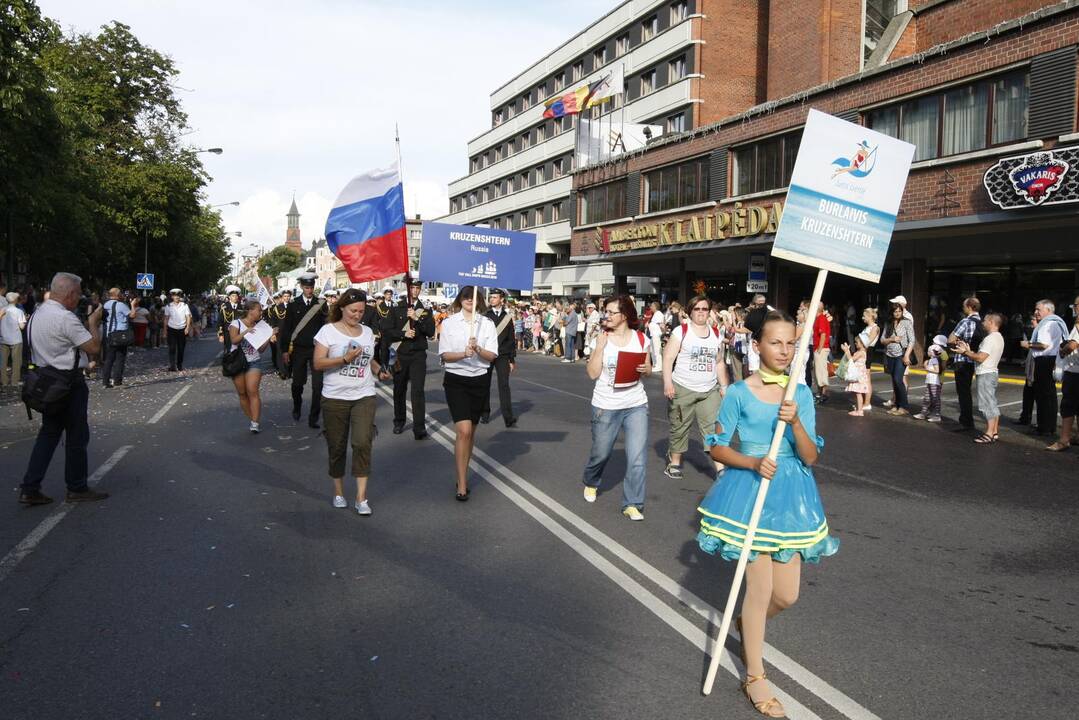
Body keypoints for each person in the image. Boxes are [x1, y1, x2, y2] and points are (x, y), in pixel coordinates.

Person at [696, 310, 838, 718]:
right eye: (775, 342)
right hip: (750, 492)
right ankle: (755, 676)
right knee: (758, 591)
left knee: (787, 595)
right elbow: (717, 448)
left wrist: (794, 423)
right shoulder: (739, 392)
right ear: (756, 346)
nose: (784, 350)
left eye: (790, 343)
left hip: (792, 497)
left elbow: (810, 456)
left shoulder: (802, 394)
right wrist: (752, 462)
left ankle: (746, 622)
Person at [18, 272, 109, 505]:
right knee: (77, 437)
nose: (80, 298)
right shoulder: (65, 318)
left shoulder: (38, 312)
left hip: (45, 381)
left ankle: (30, 487)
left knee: (48, 435)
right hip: (68, 383)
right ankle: (77, 487)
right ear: (69, 294)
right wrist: (92, 323)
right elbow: (93, 347)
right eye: (78, 294)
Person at [313, 289, 390, 515]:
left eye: (361, 311)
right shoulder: (328, 332)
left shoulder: (367, 332)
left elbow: (369, 361)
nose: (357, 315)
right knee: (337, 446)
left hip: (363, 395)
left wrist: (379, 371)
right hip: (335, 396)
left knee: (362, 443)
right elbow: (318, 363)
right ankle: (338, 492)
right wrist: (343, 359)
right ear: (342, 308)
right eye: (353, 311)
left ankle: (361, 498)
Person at [582, 295, 653, 521]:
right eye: (607, 311)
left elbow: (649, 370)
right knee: (601, 453)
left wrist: (644, 368)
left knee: (637, 458)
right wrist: (599, 348)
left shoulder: (642, 339)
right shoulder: (600, 338)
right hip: (606, 405)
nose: (607, 316)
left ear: (625, 315)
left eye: (612, 312)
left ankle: (633, 503)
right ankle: (592, 480)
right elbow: (592, 373)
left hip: (636, 404)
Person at [439, 287, 498, 501]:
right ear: (459, 300)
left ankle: (462, 472)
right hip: (456, 380)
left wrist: (478, 349)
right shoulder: (449, 323)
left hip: (480, 380)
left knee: (471, 433)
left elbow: (492, 356)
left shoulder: (487, 324)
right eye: (465, 297)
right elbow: (444, 355)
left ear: (479, 301)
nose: (468, 301)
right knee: (463, 431)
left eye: (472, 297)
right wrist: (463, 353)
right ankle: (462, 482)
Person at [662, 295, 729, 479]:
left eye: (704, 309)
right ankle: (674, 462)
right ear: (690, 311)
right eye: (697, 309)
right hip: (683, 387)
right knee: (680, 426)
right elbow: (668, 358)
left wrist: (724, 386)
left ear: (709, 312)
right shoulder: (681, 331)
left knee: (713, 428)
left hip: (709, 390)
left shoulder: (716, 334)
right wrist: (668, 383)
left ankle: (720, 468)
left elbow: (720, 362)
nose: (701, 312)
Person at [385, 278, 435, 439]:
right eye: (411, 287)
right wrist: (403, 333)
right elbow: (387, 330)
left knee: (418, 391)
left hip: (418, 355)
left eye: (417, 288)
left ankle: (419, 427)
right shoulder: (397, 307)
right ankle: (399, 421)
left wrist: (417, 319)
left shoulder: (425, 310)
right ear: (407, 289)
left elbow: (430, 332)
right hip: (400, 353)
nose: (414, 291)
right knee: (399, 389)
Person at [279, 272, 327, 428]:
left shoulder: (321, 304)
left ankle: (313, 418)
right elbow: (287, 329)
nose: (309, 290)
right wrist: (285, 350)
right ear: (301, 287)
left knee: (318, 385)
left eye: (311, 287)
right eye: (307, 287)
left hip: (316, 350)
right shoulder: (294, 304)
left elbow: (326, 327)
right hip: (299, 349)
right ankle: (297, 406)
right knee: (297, 384)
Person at [955, 313, 1005, 445]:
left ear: (991, 322)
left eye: (985, 320)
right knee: (992, 403)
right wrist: (969, 351)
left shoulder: (990, 339)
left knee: (987, 405)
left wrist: (965, 352)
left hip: (986, 373)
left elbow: (981, 357)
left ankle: (988, 433)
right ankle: (994, 432)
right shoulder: (999, 337)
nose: (982, 323)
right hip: (992, 372)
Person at [228, 297, 275, 433]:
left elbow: (260, 349)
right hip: (237, 362)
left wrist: (269, 337)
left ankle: (255, 422)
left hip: (254, 361)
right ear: (250, 311)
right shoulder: (236, 323)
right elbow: (234, 341)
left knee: (252, 391)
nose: (261, 313)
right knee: (242, 393)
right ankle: (252, 418)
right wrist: (246, 331)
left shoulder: (260, 326)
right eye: (259, 310)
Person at [1023, 299, 1069, 439]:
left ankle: (1044, 428)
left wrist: (1028, 344)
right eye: (1035, 309)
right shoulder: (1055, 322)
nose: (1036, 312)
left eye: (1039, 309)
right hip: (1048, 360)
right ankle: (1048, 427)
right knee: (1048, 395)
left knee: (1043, 395)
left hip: (1045, 361)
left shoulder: (1048, 324)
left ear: (1048, 310)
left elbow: (1043, 345)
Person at [480, 288, 518, 427]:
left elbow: (511, 340)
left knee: (504, 385)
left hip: (502, 355)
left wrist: (511, 359)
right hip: (487, 354)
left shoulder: (507, 318)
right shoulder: (485, 315)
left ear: (501, 299)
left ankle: (508, 417)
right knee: (485, 384)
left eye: (495, 297)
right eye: (491, 297)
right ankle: (484, 413)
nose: (492, 299)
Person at [946, 297, 983, 431]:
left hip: (962, 360)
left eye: (964, 306)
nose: (963, 308)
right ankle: (968, 420)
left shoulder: (965, 321)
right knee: (967, 391)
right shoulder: (981, 322)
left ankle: (966, 421)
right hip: (973, 359)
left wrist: (957, 341)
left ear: (969, 307)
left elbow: (950, 339)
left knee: (963, 392)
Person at [1048, 295, 1079, 451]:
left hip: (1075, 372)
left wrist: (1062, 351)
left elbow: (1072, 345)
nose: (1074, 308)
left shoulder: (1078, 325)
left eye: (1075, 305)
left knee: (1068, 406)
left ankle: (1064, 440)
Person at [880, 303, 914, 415]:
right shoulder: (888, 323)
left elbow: (912, 341)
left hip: (901, 354)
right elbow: (882, 340)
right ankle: (897, 404)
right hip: (889, 355)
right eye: (895, 311)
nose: (897, 313)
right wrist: (892, 339)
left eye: (899, 311)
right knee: (894, 381)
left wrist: (907, 355)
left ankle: (904, 406)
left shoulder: (906, 322)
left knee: (898, 379)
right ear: (892, 312)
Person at [101, 288, 133, 388]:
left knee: (109, 359)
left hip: (109, 333)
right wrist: (133, 305)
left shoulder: (105, 305)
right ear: (118, 295)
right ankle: (117, 381)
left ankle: (105, 382)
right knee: (120, 358)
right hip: (120, 334)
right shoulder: (121, 305)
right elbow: (132, 315)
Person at [913, 335, 948, 423]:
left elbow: (942, 368)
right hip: (932, 379)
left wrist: (928, 367)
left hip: (937, 380)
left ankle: (935, 414)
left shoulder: (943, 354)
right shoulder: (936, 355)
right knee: (928, 397)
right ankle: (924, 412)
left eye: (934, 342)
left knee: (934, 397)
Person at [1, 290, 26, 392]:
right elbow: (22, 326)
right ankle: (14, 382)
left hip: (3, 338)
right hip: (16, 339)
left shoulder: (2, 310)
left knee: (2, 362)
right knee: (16, 361)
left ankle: (4, 381)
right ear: (15, 300)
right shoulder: (19, 311)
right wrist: (26, 319)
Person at [857, 308, 880, 411]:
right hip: (863, 351)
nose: (863, 318)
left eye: (864, 316)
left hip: (868, 352)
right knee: (862, 378)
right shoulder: (867, 327)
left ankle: (867, 403)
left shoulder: (875, 328)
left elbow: (868, 342)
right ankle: (862, 402)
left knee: (867, 378)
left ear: (870, 316)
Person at [840, 334, 869, 416]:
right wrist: (848, 351)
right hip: (857, 375)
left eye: (857, 342)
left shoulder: (861, 352)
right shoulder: (859, 352)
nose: (855, 343)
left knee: (858, 393)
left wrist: (846, 351)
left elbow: (851, 360)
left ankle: (860, 411)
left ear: (863, 343)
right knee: (856, 392)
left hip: (858, 376)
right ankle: (858, 408)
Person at [164, 288, 192, 372]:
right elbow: (166, 318)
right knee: (172, 348)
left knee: (181, 348)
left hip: (182, 329)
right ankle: (172, 366)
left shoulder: (185, 305)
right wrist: (165, 330)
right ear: (172, 296)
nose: (176, 297)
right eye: (175, 295)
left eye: (178, 296)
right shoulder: (168, 306)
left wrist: (187, 327)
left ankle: (179, 364)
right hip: (171, 329)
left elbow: (188, 317)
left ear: (180, 296)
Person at [264, 290, 289, 374]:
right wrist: (273, 334)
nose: (287, 298)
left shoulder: (293, 307)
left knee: (290, 351)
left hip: (290, 333)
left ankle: (288, 369)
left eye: (288, 296)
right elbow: (273, 321)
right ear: (282, 298)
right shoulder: (277, 308)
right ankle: (281, 370)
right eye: (285, 296)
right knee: (279, 351)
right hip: (279, 333)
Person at [812, 305, 831, 404]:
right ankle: (820, 393)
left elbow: (823, 334)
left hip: (821, 349)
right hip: (819, 348)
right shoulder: (819, 318)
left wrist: (819, 349)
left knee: (821, 372)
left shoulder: (821, 319)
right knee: (818, 372)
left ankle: (823, 394)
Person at [218, 285, 243, 355]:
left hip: (239, 333)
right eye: (233, 296)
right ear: (229, 297)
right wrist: (221, 334)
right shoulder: (224, 307)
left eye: (236, 296)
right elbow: (220, 322)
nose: (235, 297)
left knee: (239, 351)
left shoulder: (241, 307)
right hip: (227, 333)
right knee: (229, 351)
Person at [647, 301, 665, 368]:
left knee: (657, 350)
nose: (650, 307)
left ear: (655, 307)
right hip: (653, 335)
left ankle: (658, 365)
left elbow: (661, 325)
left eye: (652, 306)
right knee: (652, 350)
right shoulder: (655, 314)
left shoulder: (658, 314)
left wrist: (663, 333)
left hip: (656, 335)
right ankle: (655, 364)